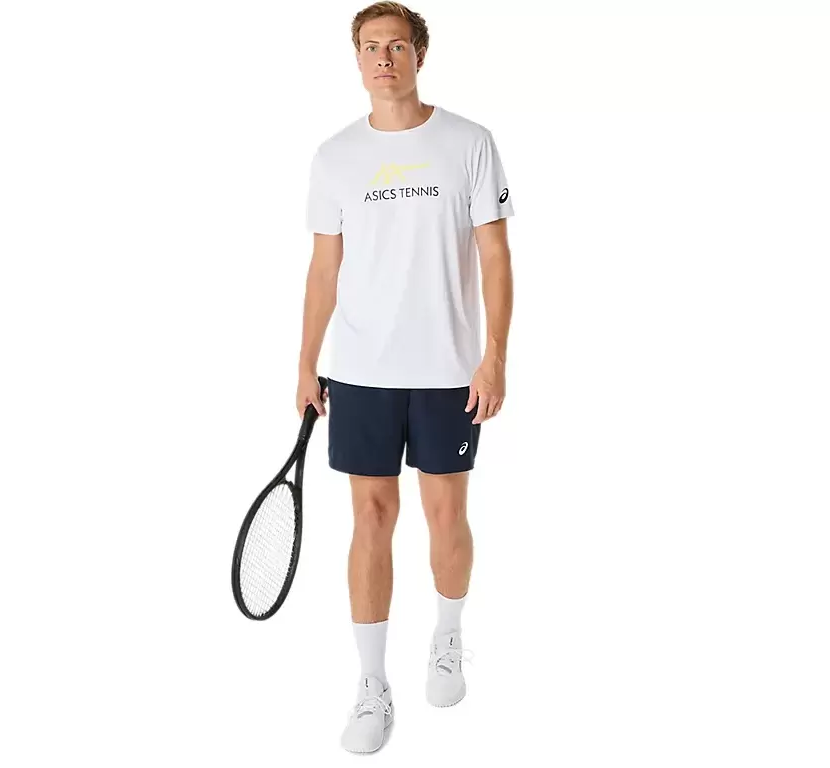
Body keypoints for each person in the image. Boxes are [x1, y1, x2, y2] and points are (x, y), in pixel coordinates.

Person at [295, 1, 515, 754]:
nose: (383, 57)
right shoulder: (334, 157)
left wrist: (495, 355)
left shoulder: (470, 142)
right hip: (361, 371)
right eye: (370, 46)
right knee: (371, 518)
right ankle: (371, 684)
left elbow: (495, 256)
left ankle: (448, 638)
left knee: (446, 516)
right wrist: (305, 363)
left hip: (449, 368)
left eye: (395, 45)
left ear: (419, 54)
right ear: (357, 60)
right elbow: (324, 269)